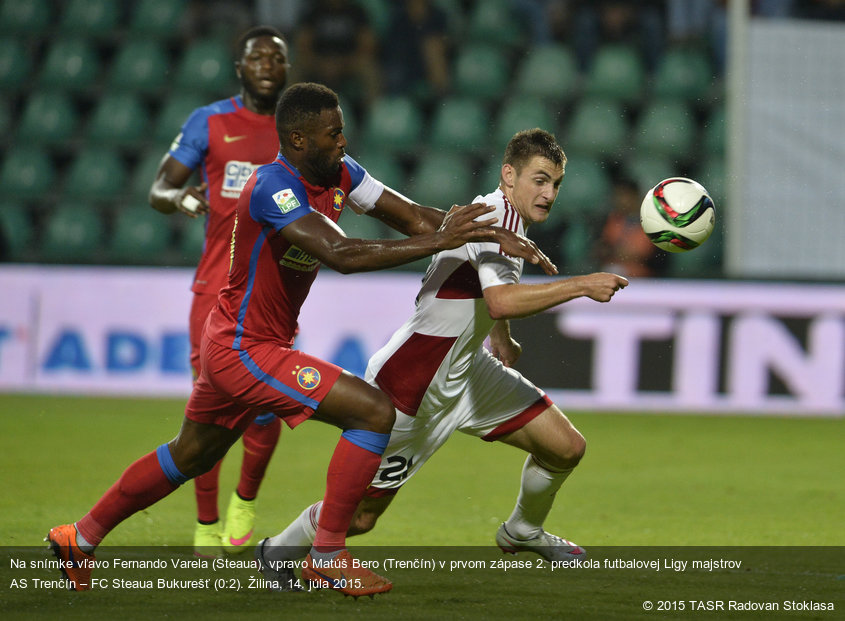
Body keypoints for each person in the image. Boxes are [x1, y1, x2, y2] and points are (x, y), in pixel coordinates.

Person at [46, 83, 555, 598]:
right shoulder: (272, 188)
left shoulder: (341, 171)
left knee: (190, 455)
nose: (342, 141)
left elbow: (415, 218)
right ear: (297, 139)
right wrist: (438, 241)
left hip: (246, 342)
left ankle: (79, 537)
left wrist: (483, 233)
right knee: (373, 411)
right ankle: (327, 554)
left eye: (341, 130)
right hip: (245, 347)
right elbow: (341, 254)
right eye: (332, 133)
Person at [256, 129, 629, 578]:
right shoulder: (497, 214)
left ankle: (523, 530)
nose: (549, 194)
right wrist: (584, 284)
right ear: (509, 176)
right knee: (361, 518)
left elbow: (491, 291)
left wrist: (501, 336)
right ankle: (278, 551)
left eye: (556, 184)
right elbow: (501, 300)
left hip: (468, 371)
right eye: (540, 180)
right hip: (411, 387)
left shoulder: (499, 216)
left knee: (565, 448)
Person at [148, 26, 289, 558]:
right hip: (214, 288)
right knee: (205, 411)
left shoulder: (295, 129)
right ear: (240, 66)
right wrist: (178, 199)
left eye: (278, 56)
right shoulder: (209, 121)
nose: (268, 64)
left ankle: (244, 502)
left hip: (274, 292)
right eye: (258, 55)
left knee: (265, 408)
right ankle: (205, 520)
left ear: (287, 68)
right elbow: (159, 188)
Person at [595, 176, 663, 278]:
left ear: (635, 196)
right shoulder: (609, 219)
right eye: (617, 196)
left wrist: (624, 253)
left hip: (643, 279)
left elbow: (653, 256)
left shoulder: (652, 222)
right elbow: (599, 249)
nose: (619, 200)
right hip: (610, 275)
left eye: (624, 195)